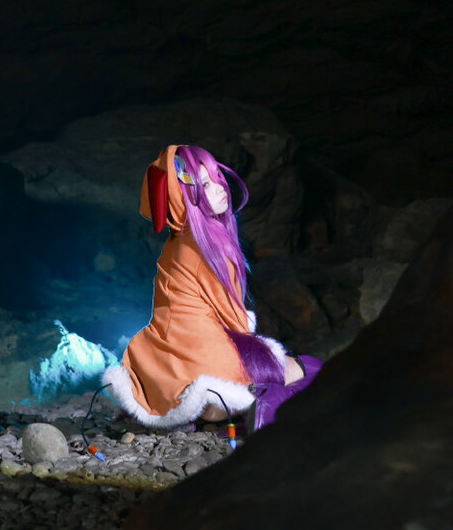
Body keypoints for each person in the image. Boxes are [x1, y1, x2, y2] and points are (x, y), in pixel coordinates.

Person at [103, 144, 322, 430]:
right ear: (184, 198)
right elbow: (233, 319)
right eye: (205, 184)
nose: (221, 188)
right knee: (309, 367)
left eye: (217, 177)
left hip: (168, 370)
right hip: (210, 369)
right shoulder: (206, 247)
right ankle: (266, 405)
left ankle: (227, 411)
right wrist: (258, 354)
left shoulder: (177, 243)